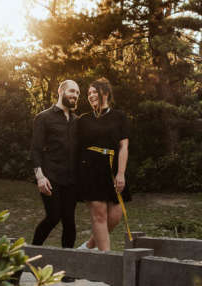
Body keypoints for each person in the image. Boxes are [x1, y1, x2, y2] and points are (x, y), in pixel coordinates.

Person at [76, 78, 130, 251]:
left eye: (94, 92)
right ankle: (106, 261)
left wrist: (121, 173)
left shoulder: (119, 116)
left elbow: (124, 147)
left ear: (105, 93)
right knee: (99, 216)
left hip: (113, 166)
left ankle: (88, 246)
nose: (91, 95)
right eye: (89, 93)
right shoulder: (83, 120)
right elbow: (74, 146)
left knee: (115, 216)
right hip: (91, 168)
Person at [30, 79, 80, 247]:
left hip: (72, 180)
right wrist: (40, 177)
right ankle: (28, 256)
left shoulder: (77, 121)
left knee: (69, 222)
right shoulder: (43, 117)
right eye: (72, 91)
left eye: (77, 93)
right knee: (53, 217)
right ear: (61, 91)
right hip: (50, 178)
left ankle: (67, 269)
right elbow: (35, 149)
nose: (75, 95)